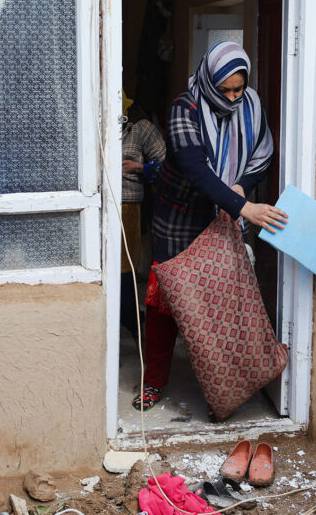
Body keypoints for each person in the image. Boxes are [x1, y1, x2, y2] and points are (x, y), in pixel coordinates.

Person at [132, 41, 288, 412]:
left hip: (221, 215)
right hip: (178, 217)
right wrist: (244, 207)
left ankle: (222, 388)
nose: (232, 98)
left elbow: (262, 154)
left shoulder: (251, 105)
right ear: (207, 80)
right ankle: (153, 381)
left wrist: (241, 186)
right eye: (224, 90)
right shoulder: (183, 108)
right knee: (166, 301)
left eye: (238, 89)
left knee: (219, 302)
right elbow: (195, 168)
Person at [120, 92, 166, 341]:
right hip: (99, 205)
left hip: (128, 205)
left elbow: (168, 166)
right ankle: (126, 318)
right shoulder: (96, 122)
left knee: (124, 267)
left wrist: (140, 167)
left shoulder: (141, 128)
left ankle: (132, 321)